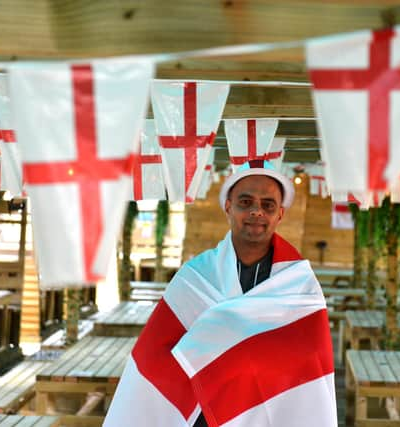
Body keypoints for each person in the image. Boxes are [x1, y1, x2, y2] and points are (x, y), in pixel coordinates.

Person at [104, 160, 337, 426]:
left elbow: (311, 359)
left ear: (280, 214)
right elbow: (155, 354)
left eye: (267, 205)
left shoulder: (298, 283)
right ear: (228, 206)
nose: (256, 212)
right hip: (203, 414)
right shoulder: (197, 276)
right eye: (245, 202)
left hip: (270, 409)